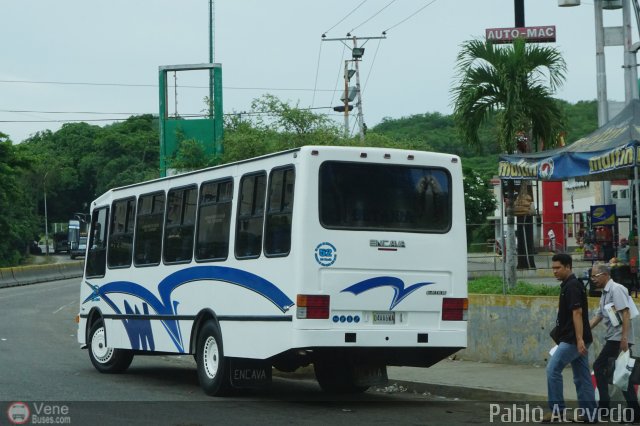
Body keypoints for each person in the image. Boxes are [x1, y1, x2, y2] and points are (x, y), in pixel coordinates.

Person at [543, 253, 597, 422]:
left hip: (573, 340)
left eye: (558, 268)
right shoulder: (570, 285)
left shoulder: (572, 286)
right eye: (553, 268)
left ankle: (557, 411)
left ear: (568, 267)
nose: (554, 271)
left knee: (552, 370)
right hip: (576, 338)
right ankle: (590, 414)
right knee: (582, 376)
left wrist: (579, 339)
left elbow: (577, 312)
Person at [589, 262, 640, 422]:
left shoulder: (616, 289)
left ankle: (605, 407)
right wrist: (581, 332)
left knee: (604, 368)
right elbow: (598, 316)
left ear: (605, 274)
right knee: (622, 376)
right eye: (592, 276)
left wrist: (624, 339)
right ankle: (634, 412)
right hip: (614, 337)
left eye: (595, 276)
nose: (592, 279)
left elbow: (626, 313)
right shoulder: (605, 293)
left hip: (619, 339)